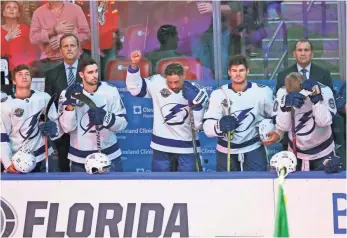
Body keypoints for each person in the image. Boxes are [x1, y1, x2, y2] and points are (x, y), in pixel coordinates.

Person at [126, 50, 208, 172]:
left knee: (189, 187)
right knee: (160, 187)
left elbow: (198, 126)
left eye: (176, 82)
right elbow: (135, 89)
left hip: (188, 149)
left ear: (184, 76)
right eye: (170, 82)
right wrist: (134, 65)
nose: (173, 85)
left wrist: (196, 105)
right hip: (161, 148)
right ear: (165, 78)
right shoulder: (157, 83)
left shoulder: (198, 92)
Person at [203, 55, 274, 171]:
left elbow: (276, 116)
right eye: (234, 71)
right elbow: (207, 127)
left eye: (241, 70)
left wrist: (273, 131)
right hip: (226, 150)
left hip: (253, 148)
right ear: (229, 72)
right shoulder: (218, 94)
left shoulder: (263, 92)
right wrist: (219, 125)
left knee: (257, 185)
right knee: (226, 187)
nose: (238, 74)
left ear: (247, 71)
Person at [58, 58, 127, 172]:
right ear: (81, 74)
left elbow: (123, 123)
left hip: (109, 156)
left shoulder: (110, 91)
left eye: (96, 71)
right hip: (79, 158)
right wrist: (70, 106)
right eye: (90, 72)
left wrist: (106, 118)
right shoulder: (68, 93)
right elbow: (67, 128)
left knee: (114, 190)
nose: (95, 75)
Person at [264, 72, 338, 171]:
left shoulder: (324, 90)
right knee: (296, 186)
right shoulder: (282, 93)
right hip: (295, 154)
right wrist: (286, 108)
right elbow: (284, 127)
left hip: (323, 152)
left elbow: (324, 122)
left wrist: (316, 101)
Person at [1, 64, 62, 173]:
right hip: (18, 159)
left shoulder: (44, 98)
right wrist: (7, 162)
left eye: (27, 74)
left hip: (43, 156)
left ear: (31, 79)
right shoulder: (5, 105)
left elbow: (57, 124)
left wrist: (54, 128)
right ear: (14, 81)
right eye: (20, 75)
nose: (24, 77)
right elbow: (2, 136)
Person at [45, 33, 83, 172]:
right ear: (60, 50)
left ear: (78, 48)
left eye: (72, 45)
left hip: (85, 128)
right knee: (65, 169)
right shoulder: (51, 74)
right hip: (63, 131)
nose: (69, 49)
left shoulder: (89, 69)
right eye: (65, 46)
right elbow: (50, 104)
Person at [30, 0, 90, 73]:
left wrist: (64, 42)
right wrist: (54, 30)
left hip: (74, 61)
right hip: (48, 63)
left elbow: (86, 34)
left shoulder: (76, 9)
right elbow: (33, 38)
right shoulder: (38, 13)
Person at [1, 1, 39, 70]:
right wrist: (7, 38)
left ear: (18, 14)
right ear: (3, 13)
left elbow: (33, 52)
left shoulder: (25, 29)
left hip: (21, 69)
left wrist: (26, 65)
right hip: (3, 69)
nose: (11, 9)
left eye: (15, 7)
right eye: (8, 7)